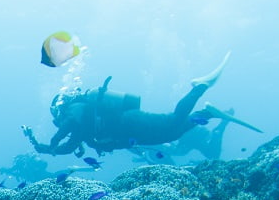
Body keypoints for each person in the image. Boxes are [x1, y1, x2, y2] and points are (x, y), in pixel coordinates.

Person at [22, 52, 258, 156]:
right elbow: (68, 146)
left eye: (56, 112)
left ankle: (200, 86)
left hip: (129, 121)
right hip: (129, 134)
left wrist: (52, 140)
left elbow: (70, 124)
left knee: (172, 121)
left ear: (60, 106)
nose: (57, 119)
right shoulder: (79, 129)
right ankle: (207, 112)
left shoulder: (75, 110)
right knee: (172, 134)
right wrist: (47, 149)